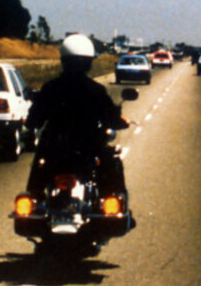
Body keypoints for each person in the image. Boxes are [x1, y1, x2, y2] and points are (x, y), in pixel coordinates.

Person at [25, 34, 130, 198]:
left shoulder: (50, 88)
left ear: (63, 61)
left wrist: (30, 122)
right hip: (88, 148)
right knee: (111, 162)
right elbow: (111, 119)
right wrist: (121, 121)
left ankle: (32, 200)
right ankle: (115, 207)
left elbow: (33, 121)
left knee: (38, 170)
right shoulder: (96, 91)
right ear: (89, 62)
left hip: (54, 149)